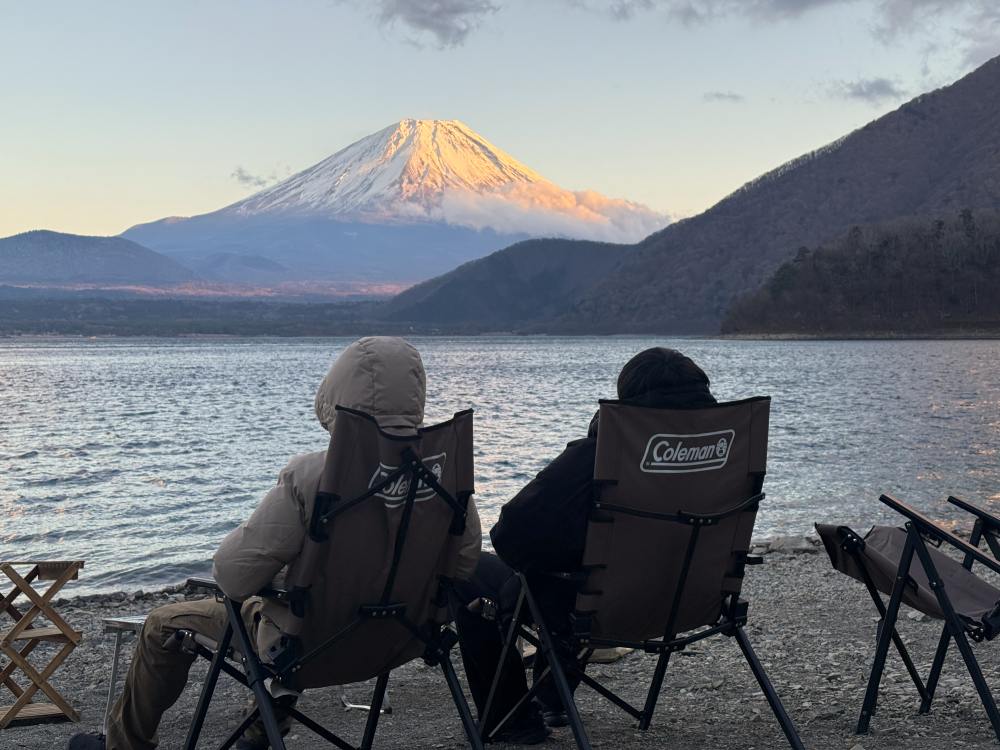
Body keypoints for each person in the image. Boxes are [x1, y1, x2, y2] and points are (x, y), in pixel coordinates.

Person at [70, 337, 482, 750]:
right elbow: (462, 566)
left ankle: (123, 746)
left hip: (307, 648)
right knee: (299, 598)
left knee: (165, 623)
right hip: (402, 641)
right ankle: (257, 733)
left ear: (338, 391)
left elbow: (231, 576)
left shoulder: (313, 476)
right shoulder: (447, 476)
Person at [453, 347, 716, 744]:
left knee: (472, 574)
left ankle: (512, 722)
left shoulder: (601, 454)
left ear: (628, 403)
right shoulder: (722, 453)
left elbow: (510, 534)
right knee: (582, 568)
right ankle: (551, 696)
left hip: (595, 608)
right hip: (691, 600)